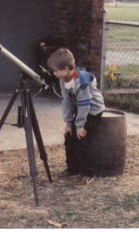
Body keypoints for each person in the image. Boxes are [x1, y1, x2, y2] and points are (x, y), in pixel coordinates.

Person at [47, 48, 105, 180]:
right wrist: (68, 123)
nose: (54, 73)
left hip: (93, 110)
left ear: (66, 68)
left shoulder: (81, 82)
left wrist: (79, 126)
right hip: (80, 109)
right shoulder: (63, 80)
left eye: (56, 70)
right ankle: (73, 169)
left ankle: (88, 173)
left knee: (81, 139)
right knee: (69, 136)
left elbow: (85, 105)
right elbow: (67, 101)